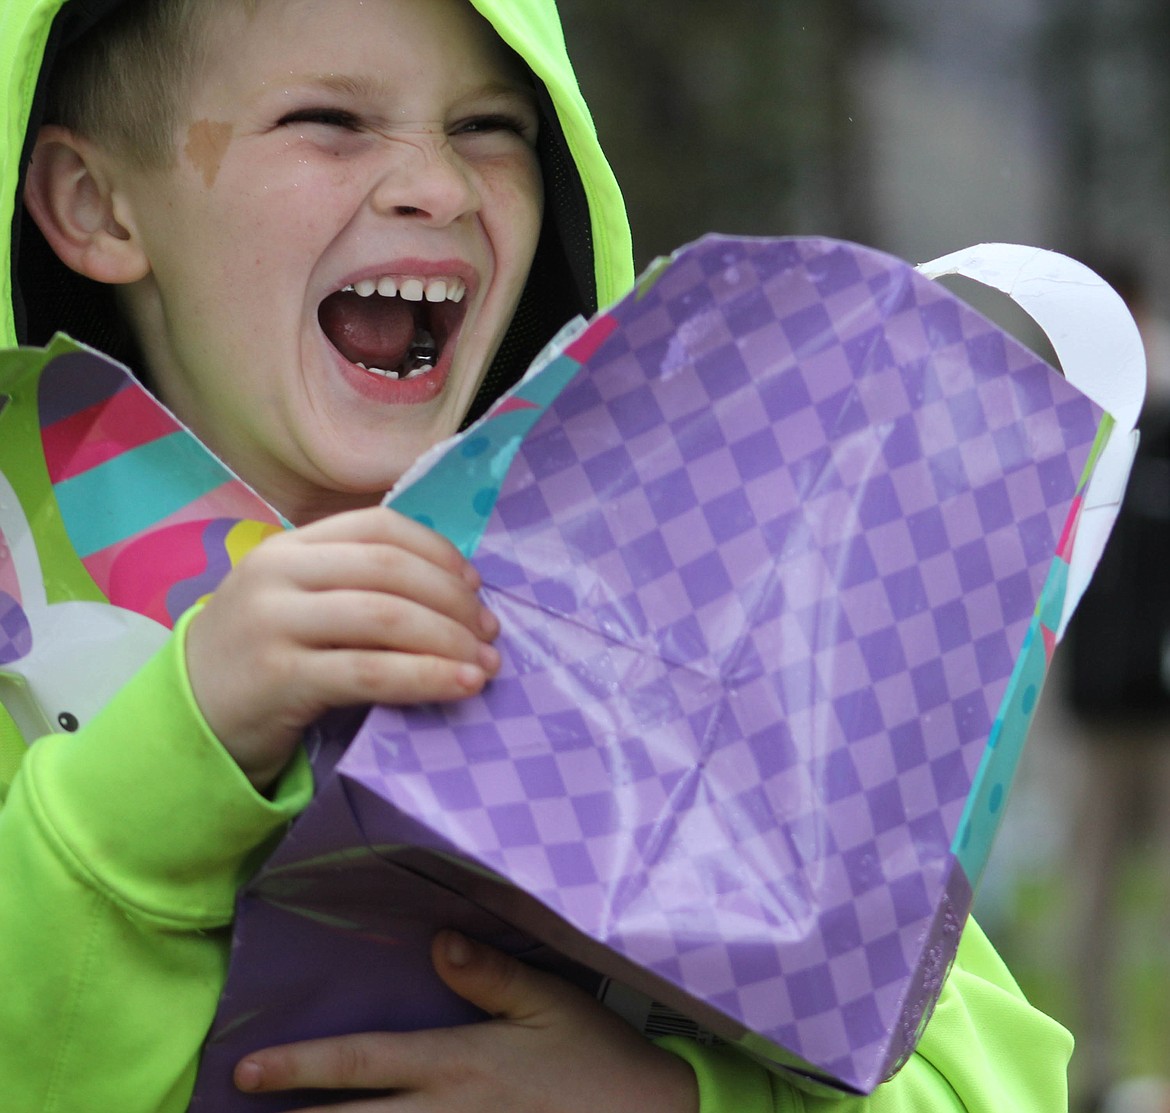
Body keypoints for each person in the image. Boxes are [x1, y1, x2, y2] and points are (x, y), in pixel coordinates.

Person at [0, 0, 1074, 1109]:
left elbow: (993, 1078)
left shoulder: (688, 601)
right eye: (329, 120)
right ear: (95, 206)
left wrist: (676, 1099)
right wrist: (172, 756)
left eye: (490, 128)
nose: (443, 186)